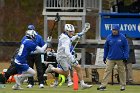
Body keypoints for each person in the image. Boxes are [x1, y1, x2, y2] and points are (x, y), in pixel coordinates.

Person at [45, 24, 92, 89]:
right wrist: (72, 59)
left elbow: (71, 39)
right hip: (62, 57)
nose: (72, 33)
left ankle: (82, 84)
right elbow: (67, 51)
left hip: (66, 56)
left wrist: (81, 33)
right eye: (70, 31)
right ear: (66, 31)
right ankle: (52, 68)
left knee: (78, 67)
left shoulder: (66, 36)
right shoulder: (65, 38)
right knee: (66, 72)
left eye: (72, 31)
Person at [97, 24, 129, 91]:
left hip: (120, 58)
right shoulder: (109, 37)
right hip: (110, 58)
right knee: (107, 71)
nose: (114, 31)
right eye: (113, 30)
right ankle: (103, 85)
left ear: (118, 30)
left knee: (122, 72)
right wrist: (104, 57)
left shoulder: (123, 37)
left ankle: (123, 86)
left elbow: (126, 48)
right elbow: (106, 48)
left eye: (115, 30)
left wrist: (126, 57)